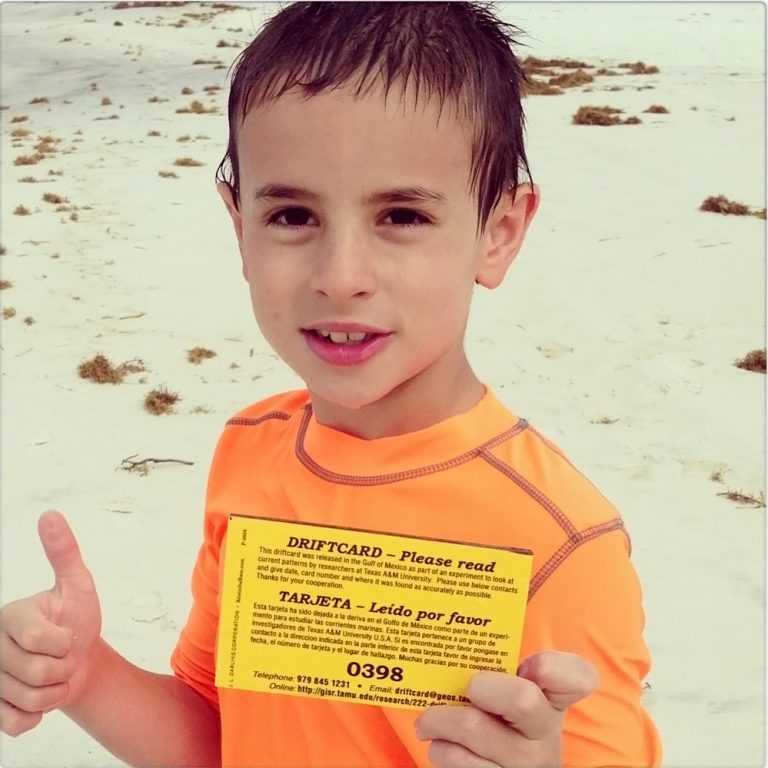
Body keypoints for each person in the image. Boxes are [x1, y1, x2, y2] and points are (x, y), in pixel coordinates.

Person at [0, 2, 662, 766]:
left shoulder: (559, 539)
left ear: (499, 231)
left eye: (403, 216)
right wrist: (88, 676)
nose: (340, 278)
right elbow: (222, 739)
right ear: (238, 225)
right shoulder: (252, 450)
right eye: (291, 215)